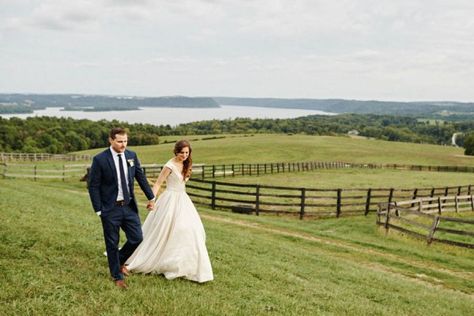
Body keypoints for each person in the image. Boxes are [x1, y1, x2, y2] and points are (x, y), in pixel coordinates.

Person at [125, 140, 213, 283]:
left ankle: (184, 264)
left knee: (191, 229)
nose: (184, 155)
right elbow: (159, 183)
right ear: (176, 152)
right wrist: (151, 199)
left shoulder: (187, 163)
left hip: (183, 200)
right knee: (166, 229)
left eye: (187, 152)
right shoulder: (169, 166)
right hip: (170, 199)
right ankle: (161, 260)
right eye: (181, 153)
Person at [88, 127, 155, 289]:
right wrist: (99, 209)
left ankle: (117, 261)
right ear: (111, 140)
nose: (123, 145)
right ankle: (117, 276)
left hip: (129, 206)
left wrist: (151, 197)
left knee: (137, 237)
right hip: (110, 209)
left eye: (125, 141)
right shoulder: (100, 159)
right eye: (119, 141)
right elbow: (93, 186)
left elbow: (140, 176)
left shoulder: (131, 156)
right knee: (112, 242)